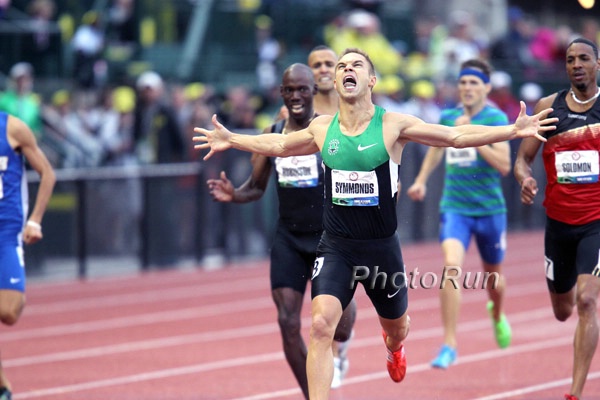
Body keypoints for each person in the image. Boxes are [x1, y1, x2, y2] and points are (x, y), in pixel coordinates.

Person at [194, 48, 556, 400]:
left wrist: (513, 130)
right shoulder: (323, 128)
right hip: (336, 246)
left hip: (381, 249)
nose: (347, 69)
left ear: (371, 79)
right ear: (335, 82)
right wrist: (232, 139)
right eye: (342, 67)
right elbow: (279, 144)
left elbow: (454, 137)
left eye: (356, 65)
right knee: (320, 325)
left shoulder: (392, 125)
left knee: (397, 329)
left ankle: (394, 348)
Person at [207, 63, 355, 398]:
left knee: (340, 329)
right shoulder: (272, 133)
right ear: (281, 94)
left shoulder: (332, 131)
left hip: (327, 239)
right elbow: (256, 187)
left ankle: (347, 317)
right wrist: (234, 195)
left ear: (314, 91)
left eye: (303, 88)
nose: (296, 95)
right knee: (288, 323)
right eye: (290, 89)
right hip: (289, 238)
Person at [406, 59, 513, 370]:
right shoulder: (448, 116)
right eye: (463, 83)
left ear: (486, 88)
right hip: (455, 208)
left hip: (490, 210)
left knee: (494, 277)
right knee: (451, 267)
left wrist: (470, 135)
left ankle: (497, 313)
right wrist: (421, 179)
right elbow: (437, 149)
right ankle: (449, 343)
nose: (467, 88)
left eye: (474, 83)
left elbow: (504, 165)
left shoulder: (495, 117)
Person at [514, 37, 600, 400]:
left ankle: (575, 393)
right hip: (559, 224)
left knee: (587, 301)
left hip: (596, 222)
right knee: (563, 310)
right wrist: (525, 179)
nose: (576, 64)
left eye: (583, 58)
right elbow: (522, 159)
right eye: (569, 59)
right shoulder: (549, 109)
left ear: (597, 64)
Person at [306, 44, 356, 388]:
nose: (324, 69)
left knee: (343, 317)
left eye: (330, 63)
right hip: (304, 217)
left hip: (344, 219)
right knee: (316, 313)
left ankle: (341, 351)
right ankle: (324, 362)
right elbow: (276, 147)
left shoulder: (350, 108)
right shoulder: (296, 111)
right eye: (318, 65)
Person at [0, 112, 56, 399]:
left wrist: (35, 219)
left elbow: (47, 173)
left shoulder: (12, 128)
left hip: (6, 233)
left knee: (9, 311)